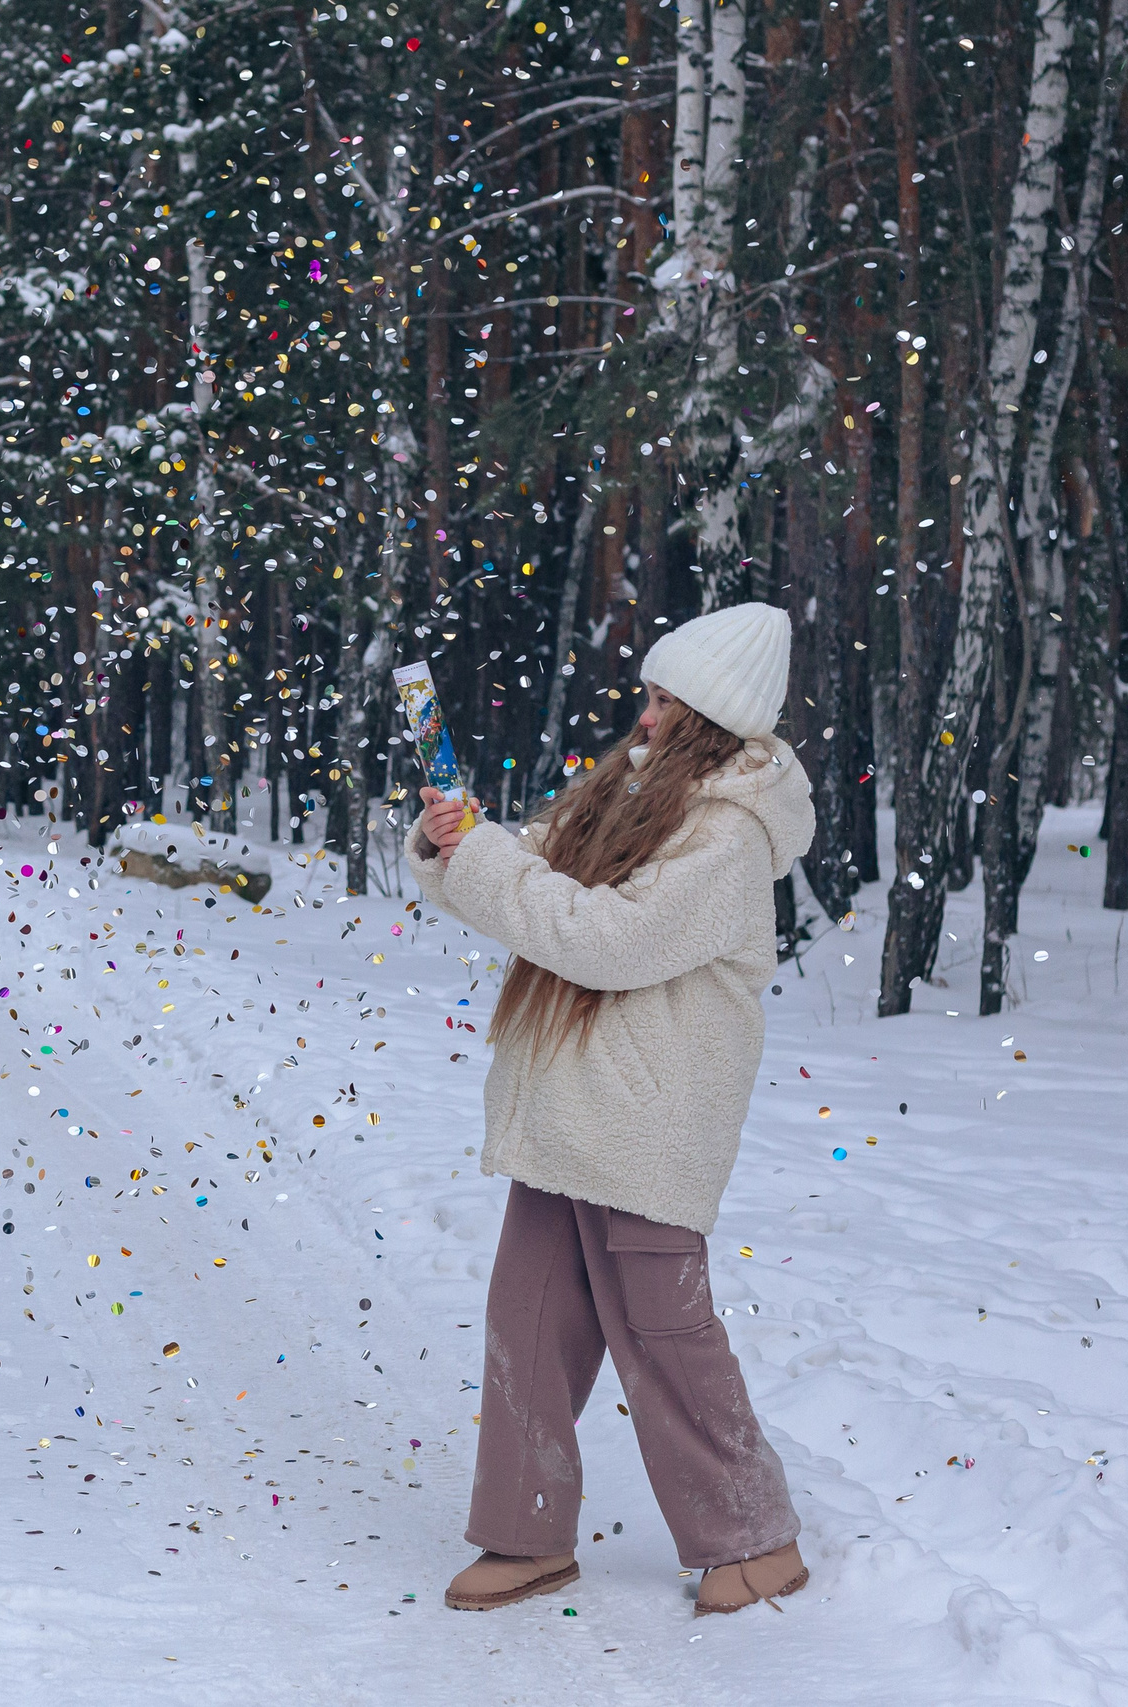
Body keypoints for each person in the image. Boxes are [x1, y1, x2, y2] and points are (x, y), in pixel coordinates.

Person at [405, 601, 815, 1619]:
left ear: (710, 719)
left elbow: (601, 940)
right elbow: (520, 882)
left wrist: (493, 863)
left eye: (663, 702)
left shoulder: (727, 835)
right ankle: (523, 1531)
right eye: (647, 695)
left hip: (647, 1121)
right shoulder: (627, 793)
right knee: (528, 1321)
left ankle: (752, 1538)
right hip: (566, 1113)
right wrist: (452, 843)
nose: (642, 717)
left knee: (662, 1330)